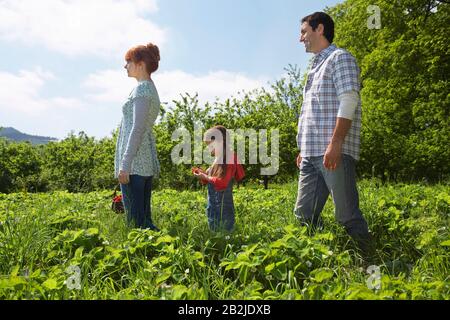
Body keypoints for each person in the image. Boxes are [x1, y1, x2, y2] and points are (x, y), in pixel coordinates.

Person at [295, 12, 372, 256]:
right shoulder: (314, 66)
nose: (301, 38)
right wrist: (302, 147)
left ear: (319, 29)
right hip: (310, 153)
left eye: (304, 31)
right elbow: (312, 111)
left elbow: (349, 99)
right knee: (304, 214)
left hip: (332, 152)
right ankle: (314, 258)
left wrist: (336, 143)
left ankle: (365, 259)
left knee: (347, 215)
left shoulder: (340, 58)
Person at [114, 43, 161, 231]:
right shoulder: (149, 88)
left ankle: (149, 255)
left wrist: (124, 164)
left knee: (137, 225)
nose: (125, 66)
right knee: (143, 222)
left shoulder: (142, 89)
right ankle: (159, 253)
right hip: (143, 162)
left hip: (135, 165)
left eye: (128, 61)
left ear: (140, 64)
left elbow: (137, 129)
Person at [192, 125, 245, 232]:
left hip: (222, 209)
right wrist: (203, 175)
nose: (208, 148)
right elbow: (212, 179)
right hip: (214, 207)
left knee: (225, 232)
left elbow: (222, 183)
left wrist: (205, 176)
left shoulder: (228, 157)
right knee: (216, 233)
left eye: (209, 144)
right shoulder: (218, 158)